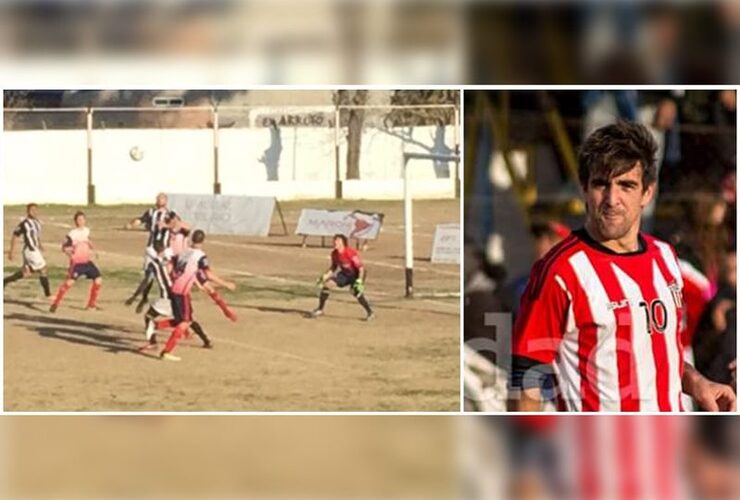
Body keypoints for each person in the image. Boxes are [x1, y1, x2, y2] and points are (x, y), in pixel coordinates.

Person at [510, 121, 736, 412]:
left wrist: (697, 383)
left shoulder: (665, 257)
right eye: (601, 184)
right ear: (584, 189)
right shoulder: (561, 271)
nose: (612, 199)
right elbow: (526, 375)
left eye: (626, 185)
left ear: (647, 193)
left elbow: (661, 357)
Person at [159, 230, 235, 361]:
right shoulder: (200, 256)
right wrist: (226, 284)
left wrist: (186, 280)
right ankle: (166, 351)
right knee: (186, 321)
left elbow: (171, 265)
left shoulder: (184, 252)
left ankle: (154, 326)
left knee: (183, 319)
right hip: (181, 291)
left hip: (175, 288)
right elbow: (208, 274)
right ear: (203, 241)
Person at [138, 240, 213, 351]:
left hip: (167, 297)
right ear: (164, 249)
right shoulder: (171, 260)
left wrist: (140, 296)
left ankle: (153, 341)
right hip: (179, 293)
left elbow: (147, 281)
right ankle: (206, 340)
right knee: (187, 319)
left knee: (149, 317)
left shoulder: (153, 264)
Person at [124, 192, 178, 313]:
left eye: (161, 198)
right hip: (151, 249)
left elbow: (176, 224)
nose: (158, 200)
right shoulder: (151, 212)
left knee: (165, 275)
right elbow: (141, 220)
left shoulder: (170, 214)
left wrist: (166, 225)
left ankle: (169, 297)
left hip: (164, 250)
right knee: (149, 275)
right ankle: (144, 298)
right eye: (158, 198)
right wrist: (132, 224)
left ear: (166, 201)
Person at [312, 234, 374, 321]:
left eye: (337, 241)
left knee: (356, 292)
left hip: (356, 274)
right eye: (334, 240)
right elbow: (333, 267)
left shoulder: (349, 252)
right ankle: (320, 309)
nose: (335, 242)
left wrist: (359, 281)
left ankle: (370, 312)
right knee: (327, 285)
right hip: (345, 274)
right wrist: (324, 277)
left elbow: (361, 268)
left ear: (343, 243)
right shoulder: (334, 254)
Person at [50, 211, 102, 313]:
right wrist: (70, 254)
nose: (81, 221)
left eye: (82, 219)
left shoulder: (86, 230)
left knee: (98, 280)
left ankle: (91, 305)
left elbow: (88, 240)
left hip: (87, 262)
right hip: (77, 263)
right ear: (75, 222)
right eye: (79, 220)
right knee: (69, 283)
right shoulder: (72, 234)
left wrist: (94, 250)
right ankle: (56, 303)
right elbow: (64, 247)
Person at [3, 203, 51, 297]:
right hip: (30, 250)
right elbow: (15, 235)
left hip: (34, 250)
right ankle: (48, 294)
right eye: (31, 210)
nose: (33, 212)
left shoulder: (37, 222)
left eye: (35, 210)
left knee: (26, 273)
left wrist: (40, 245)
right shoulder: (24, 224)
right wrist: (11, 251)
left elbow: (36, 235)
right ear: (28, 211)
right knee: (43, 269)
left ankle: (4, 281)